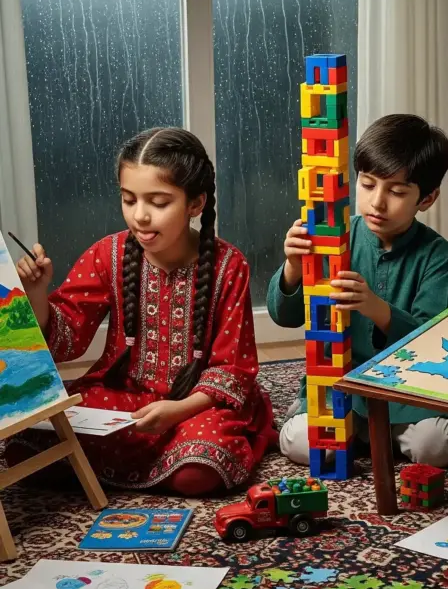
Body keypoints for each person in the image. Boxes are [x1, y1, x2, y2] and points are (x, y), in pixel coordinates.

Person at [8, 127, 275, 496]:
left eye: (159, 202)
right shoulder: (107, 254)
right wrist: (37, 294)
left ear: (195, 204)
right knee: (25, 447)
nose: (140, 216)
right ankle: (144, 463)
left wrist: (177, 411)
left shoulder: (230, 266)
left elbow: (233, 368)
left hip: (196, 405)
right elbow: (67, 338)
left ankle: (130, 465)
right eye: (129, 199)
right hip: (122, 396)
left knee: (199, 472)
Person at [271, 114, 448, 467]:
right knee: (302, 444)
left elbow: (429, 341)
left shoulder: (436, 254)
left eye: (396, 192)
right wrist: (292, 266)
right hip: (341, 383)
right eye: (368, 184)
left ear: (427, 198)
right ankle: (351, 429)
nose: (378, 202)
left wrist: (376, 307)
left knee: (435, 447)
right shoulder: (334, 235)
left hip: (406, 391)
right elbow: (283, 316)